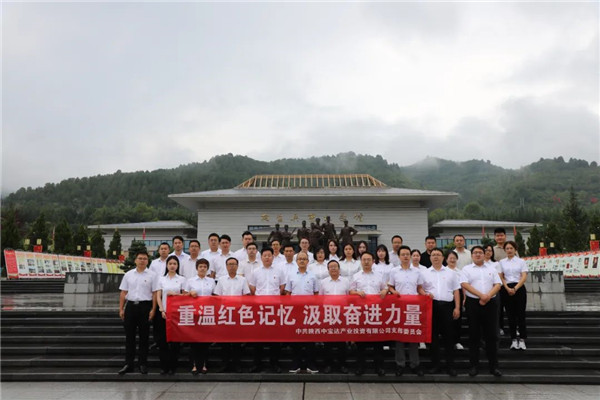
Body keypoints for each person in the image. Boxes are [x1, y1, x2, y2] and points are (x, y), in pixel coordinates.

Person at [461, 245, 502, 377]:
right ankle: (474, 366)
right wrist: (481, 296)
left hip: (490, 303)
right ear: (472, 255)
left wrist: (487, 296)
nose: (478, 255)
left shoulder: (492, 268)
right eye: (475, 253)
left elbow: (498, 284)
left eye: (480, 252)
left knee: (492, 336)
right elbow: (465, 284)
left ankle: (494, 366)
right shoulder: (466, 269)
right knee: (474, 335)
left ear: (484, 255)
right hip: (473, 304)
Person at [420, 247, 460, 377]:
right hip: (431, 306)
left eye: (438, 255)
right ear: (430, 257)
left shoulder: (451, 273)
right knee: (433, 338)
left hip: (448, 306)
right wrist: (425, 294)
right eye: (433, 255)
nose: (436, 257)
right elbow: (419, 288)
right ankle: (435, 365)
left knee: (449, 337)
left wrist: (457, 307)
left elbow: (456, 290)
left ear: (443, 258)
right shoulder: (425, 273)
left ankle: (450, 366)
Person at [118, 250, 157, 375]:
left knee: (144, 337)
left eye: (145, 259)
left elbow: (155, 294)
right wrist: (121, 309)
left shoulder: (152, 275)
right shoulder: (128, 274)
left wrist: (153, 309)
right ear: (135, 260)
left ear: (148, 261)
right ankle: (128, 364)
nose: (142, 261)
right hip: (131, 307)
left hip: (145, 307)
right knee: (129, 337)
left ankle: (142, 364)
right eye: (140, 258)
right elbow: (123, 292)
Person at [349, 251, 388, 376]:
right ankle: (360, 367)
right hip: (361, 312)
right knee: (361, 341)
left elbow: (385, 288)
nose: (366, 262)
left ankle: (379, 367)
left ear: (373, 261)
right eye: (364, 259)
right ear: (361, 261)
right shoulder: (356, 276)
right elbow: (350, 291)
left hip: (376, 311)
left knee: (378, 341)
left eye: (369, 259)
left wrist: (385, 291)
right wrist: (357, 293)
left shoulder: (379, 275)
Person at [387, 245, 424, 376]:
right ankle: (400, 364)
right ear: (399, 257)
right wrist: (393, 291)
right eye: (403, 254)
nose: (405, 256)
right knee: (400, 337)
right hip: (399, 307)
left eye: (408, 254)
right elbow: (390, 286)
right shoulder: (394, 271)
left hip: (413, 307)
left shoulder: (417, 271)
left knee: (413, 336)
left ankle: (415, 364)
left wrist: (425, 295)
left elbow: (419, 288)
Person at [248, 247, 286, 373]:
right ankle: (257, 363)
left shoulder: (279, 271)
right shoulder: (256, 272)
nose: (267, 257)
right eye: (265, 255)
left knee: (275, 338)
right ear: (261, 257)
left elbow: (282, 287)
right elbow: (253, 288)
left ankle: (274, 363)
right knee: (258, 338)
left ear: (273, 257)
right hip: (260, 309)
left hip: (275, 309)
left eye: (269, 255)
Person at [213, 257, 251, 373]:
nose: (232, 266)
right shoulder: (221, 280)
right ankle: (225, 364)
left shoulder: (242, 280)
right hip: (225, 313)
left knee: (237, 341)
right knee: (224, 341)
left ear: (237, 266)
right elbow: (217, 296)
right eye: (229, 264)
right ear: (226, 266)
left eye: (234, 264)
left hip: (238, 313)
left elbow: (246, 295)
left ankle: (237, 364)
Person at [285, 251, 319, 374]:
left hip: (309, 311)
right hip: (295, 311)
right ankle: (296, 363)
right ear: (296, 261)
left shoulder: (313, 276)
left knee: (310, 338)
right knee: (296, 338)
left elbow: (316, 293)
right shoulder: (291, 275)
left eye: (304, 259)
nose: (302, 261)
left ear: (308, 261)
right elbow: (288, 293)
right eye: (300, 259)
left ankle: (310, 364)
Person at [184, 258, 216, 374]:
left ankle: (203, 364)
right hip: (194, 314)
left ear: (207, 269)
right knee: (194, 340)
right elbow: (184, 296)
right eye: (200, 266)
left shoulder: (212, 281)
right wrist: (190, 293)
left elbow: (215, 296)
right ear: (196, 268)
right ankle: (193, 364)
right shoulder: (190, 281)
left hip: (207, 313)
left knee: (205, 341)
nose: (202, 269)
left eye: (204, 267)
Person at [155, 255, 186, 375]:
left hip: (176, 314)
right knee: (162, 341)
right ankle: (164, 366)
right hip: (164, 313)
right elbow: (158, 296)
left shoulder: (182, 279)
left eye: (174, 264)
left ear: (178, 266)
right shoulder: (161, 279)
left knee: (175, 342)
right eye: (170, 264)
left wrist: (175, 295)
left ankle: (173, 366)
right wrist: (161, 309)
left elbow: (185, 296)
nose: (172, 266)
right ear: (167, 265)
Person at [319, 260, 350, 374]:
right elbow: (320, 298)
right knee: (328, 342)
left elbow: (348, 297)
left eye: (335, 266)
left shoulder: (346, 281)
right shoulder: (323, 282)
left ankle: (342, 364)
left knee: (342, 342)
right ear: (328, 270)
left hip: (342, 315)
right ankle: (328, 364)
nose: (333, 269)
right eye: (331, 267)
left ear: (339, 269)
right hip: (328, 315)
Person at [498, 241, 529, 351]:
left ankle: (522, 340)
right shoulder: (501, 262)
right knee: (510, 315)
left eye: (511, 248)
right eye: (507, 248)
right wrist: (507, 288)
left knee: (521, 315)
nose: (509, 250)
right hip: (506, 289)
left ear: (515, 249)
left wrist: (515, 288)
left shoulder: (521, 261)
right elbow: (501, 277)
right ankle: (513, 340)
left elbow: (524, 276)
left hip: (519, 288)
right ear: (505, 250)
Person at [445, 250, 466, 351]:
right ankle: (448, 341)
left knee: (457, 319)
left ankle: (457, 341)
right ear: (446, 260)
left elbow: (463, 286)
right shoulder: (443, 270)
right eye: (450, 258)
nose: (452, 260)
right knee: (447, 320)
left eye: (454, 258)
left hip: (459, 296)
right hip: (447, 296)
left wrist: (464, 298)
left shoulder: (460, 272)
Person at [484, 244, 504, 336]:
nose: (488, 252)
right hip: (482, 291)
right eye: (486, 250)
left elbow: (499, 278)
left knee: (496, 311)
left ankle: (498, 328)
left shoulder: (496, 264)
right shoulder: (478, 263)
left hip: (494, 291)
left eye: (490, 250)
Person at [410, 248, 428, 350]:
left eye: (417, 256)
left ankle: (421, 341)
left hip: (422, 297)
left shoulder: (424, 269)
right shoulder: (408, 268)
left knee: (421, 320)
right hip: (411, 298)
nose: (416, 257)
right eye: (414, 256)